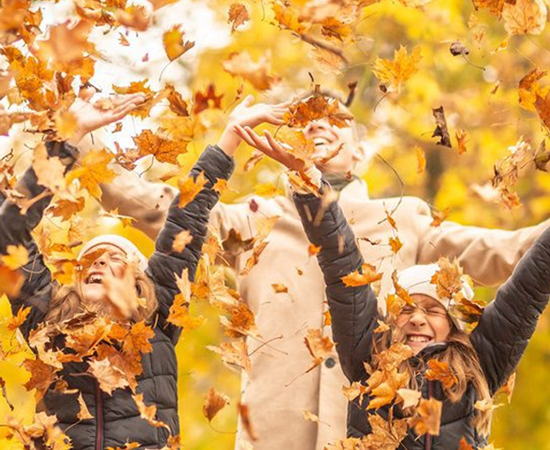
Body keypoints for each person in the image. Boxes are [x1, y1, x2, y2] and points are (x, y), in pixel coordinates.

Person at [91, 92, 550, 450]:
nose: (316, 124)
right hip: (272, 436)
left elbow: (510, 252)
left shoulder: (404, 218)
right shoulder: (254, 218)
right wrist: (80, 143)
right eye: (304, 119)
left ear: (361, 150)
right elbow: (169, 213)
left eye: (334, 119)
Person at [236, 123, 550, 449]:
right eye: (405, 309)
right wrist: (309, 183)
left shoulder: (480, 364)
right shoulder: (368, 362)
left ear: (454, 324)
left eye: (432, 309)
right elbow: (341, 263)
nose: (416, 318)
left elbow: (528, 288)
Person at [0, 91, 285, 450]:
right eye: (89, 261)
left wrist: (229, 137)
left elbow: (187, 219)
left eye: (113, 258)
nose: (99, 262)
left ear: (140, 284)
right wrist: (68, 141)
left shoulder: (157, 318)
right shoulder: (47, 318)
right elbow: (9, 234)